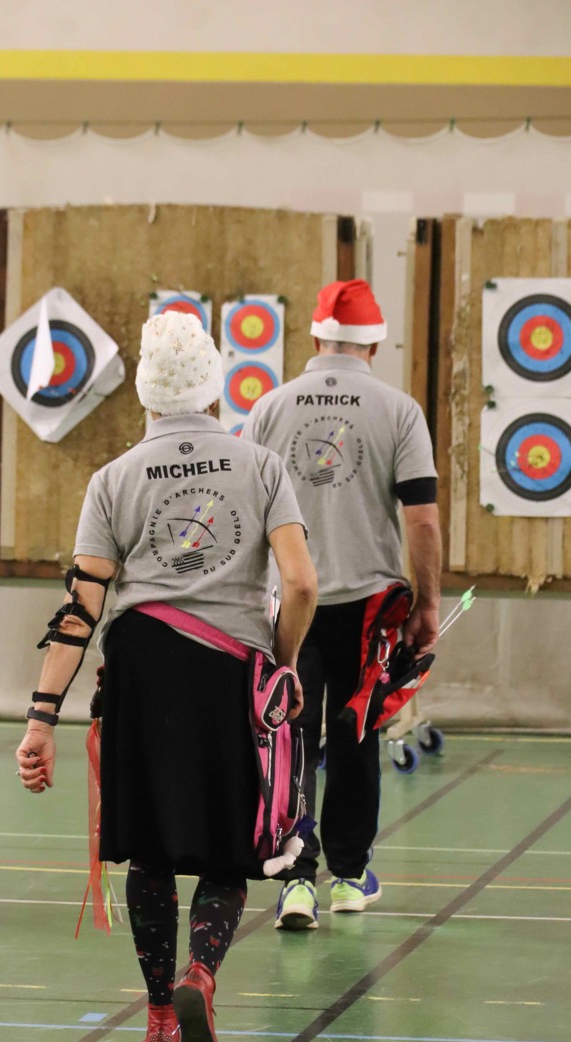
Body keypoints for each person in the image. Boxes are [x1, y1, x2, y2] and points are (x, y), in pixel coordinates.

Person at [17, 310, 317, 1042]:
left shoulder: (113, 479)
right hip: (230, 675)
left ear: (146, 395)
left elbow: (80, 609)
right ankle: (202, 975)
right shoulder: (261, 466)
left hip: (140, 671)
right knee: (228, 849)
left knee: (150, 852)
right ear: (215, 388)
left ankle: (158, 1022)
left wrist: (41, 720)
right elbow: (301, 583)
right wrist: (282, 665)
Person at [242, 279, 441, 930]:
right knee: (356, 734)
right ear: (375, 343)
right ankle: (350, 877)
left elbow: (247, 517)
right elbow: (422, 520)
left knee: (291, 737)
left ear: (315, 335)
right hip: (367, 608)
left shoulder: (268, 408)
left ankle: (297, 881)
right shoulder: (399, 411)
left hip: (288, 604)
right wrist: (428, 605)